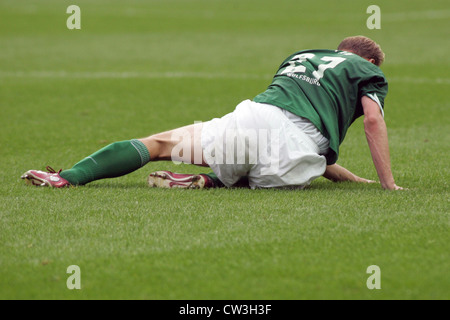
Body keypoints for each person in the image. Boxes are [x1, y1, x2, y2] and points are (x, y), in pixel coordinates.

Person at [21, 36, 404, 190]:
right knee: (267, 174)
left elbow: (281, 121)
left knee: (157, 143)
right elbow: (370, 120)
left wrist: (350, 178)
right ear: (370, 60)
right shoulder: (370, 72)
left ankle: (65, 178)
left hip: (250, 120)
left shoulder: (301, 56)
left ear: (339, 49)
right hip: (294, 158)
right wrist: (384, 184)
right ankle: (211, 182)